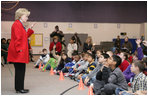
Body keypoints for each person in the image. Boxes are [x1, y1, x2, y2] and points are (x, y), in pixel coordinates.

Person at [7, 8, 36, 93]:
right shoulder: (17, 24)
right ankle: (19, 88)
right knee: (20, 70)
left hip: (20, 51)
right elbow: (18, 39)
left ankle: (19, 87)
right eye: (26, 16)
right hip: (19, 51)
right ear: (20, 16)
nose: (27, 18)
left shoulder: (20, 24)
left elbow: (24, 36)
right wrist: (19, 50)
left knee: (20, 70)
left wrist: (30, 28)